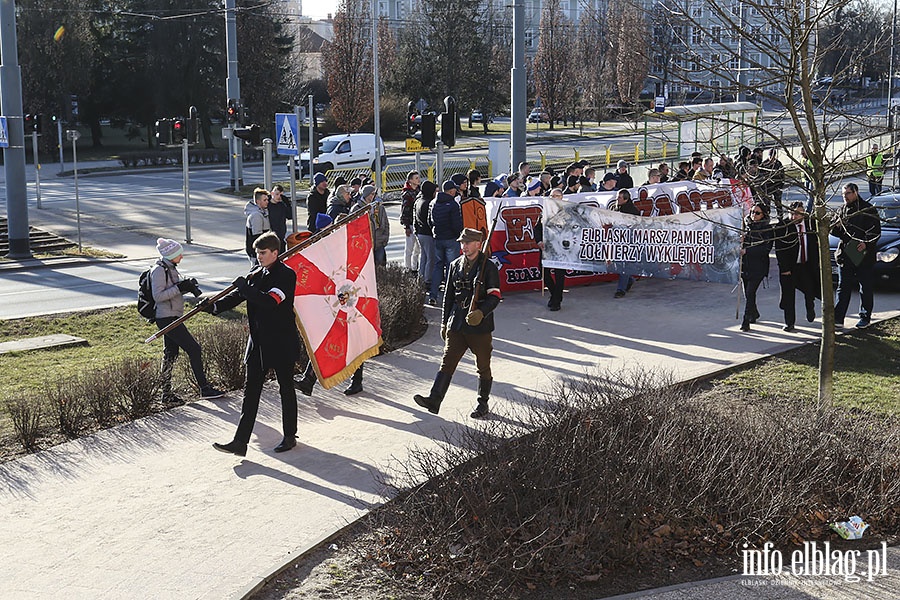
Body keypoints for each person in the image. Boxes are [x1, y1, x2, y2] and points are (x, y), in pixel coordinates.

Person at [208, 232, 302, 456]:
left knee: (286, 390)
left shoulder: (286, 275)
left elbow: (270, 301)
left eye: (263, 253)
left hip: (281, 342)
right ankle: (240, 442)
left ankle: (290, 436)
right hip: (258, 344)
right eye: (257, 253)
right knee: (250, 393)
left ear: (275, 253)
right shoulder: (256, 274)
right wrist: (211, 307)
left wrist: (246, 288)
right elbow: (236, 299)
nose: (258, 257)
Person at [414, 228, 502, 419]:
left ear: (479, 244)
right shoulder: (454, 265)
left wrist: (481, 312)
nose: (464, 246)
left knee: (483, 366)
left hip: (479, 327)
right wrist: (445, 323)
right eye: (462, 243)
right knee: (447, 362)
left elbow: (494, 296)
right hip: (458, 324)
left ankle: (482, 403)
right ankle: (434, 399)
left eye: (468, 243)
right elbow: (448, 298)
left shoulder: (489, 267)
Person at [150, 238, 224, 404]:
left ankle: (166, 394)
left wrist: (186, 286)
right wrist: (180, 287)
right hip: (166, 317)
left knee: (170, 354)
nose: (182, 257)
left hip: (172, 316)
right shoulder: (159, 270)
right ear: (170, 255)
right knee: (194, 349)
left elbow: (171, 292)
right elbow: (158, 296)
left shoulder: (170, 268)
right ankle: (204, 389)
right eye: (179, 254)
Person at [831, 182, 881, 328]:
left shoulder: (867, 209)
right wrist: (835, 227)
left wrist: (866, 243)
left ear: (856, 192)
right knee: (843, 287)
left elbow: (875, 230)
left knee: (864, 286)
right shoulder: (841, 210)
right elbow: (835, 231)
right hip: (846, 252)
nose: (845, 197)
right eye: (843, 194)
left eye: (848, 193)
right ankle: (838, 318)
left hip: (861, 252)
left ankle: (865, 317)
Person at [775, 202, 820, 332]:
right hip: (789, 267)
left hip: (806, 265)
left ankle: (810, 307)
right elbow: (780, 250)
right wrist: (784, 269)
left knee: (810, 289)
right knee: (788, 296)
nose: (795, 216)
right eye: (792, 213)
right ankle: (789, 323)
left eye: (798, 213)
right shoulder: (782, 227)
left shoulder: (811, 224)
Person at [739, 202, 774, 332]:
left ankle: (746, 320)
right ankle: (754, 313)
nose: (754, 215)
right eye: (752, 212)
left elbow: (765, 249)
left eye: (757, 213)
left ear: (763, 214)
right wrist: (740, 241)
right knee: (747, 294)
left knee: (750, 292)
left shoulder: (767, 230)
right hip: (745, 266)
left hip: (758, 267)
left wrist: (747, 251)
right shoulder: (746, 227)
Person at [428, 180, 464, 305]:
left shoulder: (433, 203)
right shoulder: (453, 205)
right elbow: (456, 224)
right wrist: (458, 234)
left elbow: (430, 221)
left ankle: (433, 295)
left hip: (438, 238)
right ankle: (449, 296)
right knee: (451, 267)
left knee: (438, 266)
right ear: (451, 191)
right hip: (451, 239)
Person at [612, 189, 639, 298]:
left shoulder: (632, 211)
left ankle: (621, 290)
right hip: (617, 240)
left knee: (624, 265)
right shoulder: (615, 208)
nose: (617, 199)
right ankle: (629, 280)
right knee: (617, 264)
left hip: (628, 241)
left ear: (626, 199)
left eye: (619, 197)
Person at [535, 216, 566, 311]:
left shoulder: (567, 213)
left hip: (561, 248)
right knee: (544, 272)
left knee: (559, 274)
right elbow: (537, 228)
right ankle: (555, 295)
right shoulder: (546, 210)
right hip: (547, 248)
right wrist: (539, 241)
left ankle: (556, 301)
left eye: (559, 199)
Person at [357, 184, 390, 267]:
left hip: (379, 242)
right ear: (366, 195)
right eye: (371, 194)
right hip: (365, 245)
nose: (373, 196)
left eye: (374, 194)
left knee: (380, 268)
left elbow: (386, 223)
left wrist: (385, 239)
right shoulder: (357, 209)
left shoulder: (379, 208)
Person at [415, 180, 438, 288]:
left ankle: (421, 278)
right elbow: (430, 220)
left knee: (423, 256)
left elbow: (414, 217)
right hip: (428, 233)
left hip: (420, 233)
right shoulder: (429, 203)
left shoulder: (419, 201)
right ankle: (428, 279)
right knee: (431, 258)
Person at [400, 170, 421, 274]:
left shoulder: (419, 191)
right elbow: (405, 211)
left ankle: (414, 267)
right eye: (416, 178)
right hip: (411, 224)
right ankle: (407, 268)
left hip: (418, 223)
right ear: (410, 180)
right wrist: (406, 226)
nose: (418, 180)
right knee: (409, 248)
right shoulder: (407, 194)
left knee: (418, 248)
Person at [244, 188, 270, 267]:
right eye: (264, 200)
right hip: (257, 252)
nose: (267, 202)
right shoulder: (256, 215)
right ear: (258, 201)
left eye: (267, 200)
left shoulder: (262, 212)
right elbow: (258, 237)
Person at [761, 149, 786, 218]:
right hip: (768, 187)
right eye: (770, 156)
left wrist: (781, 186)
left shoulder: (778, 163)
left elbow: (782, 175)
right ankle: (767, 217)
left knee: (778, 203)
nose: (771, 158)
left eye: (773, 155)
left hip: (777, 186)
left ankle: (780, 217)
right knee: (767, 204)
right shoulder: (764, 164)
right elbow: (761, 176)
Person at [267, 185, 292, 251]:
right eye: (277, 194)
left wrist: (286, 203)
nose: (279, 197)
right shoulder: (267, 205)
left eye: (280, 195)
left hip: (281, 236)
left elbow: (290, 216)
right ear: (272, 193)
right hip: (270, 236)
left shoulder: (282, 204)